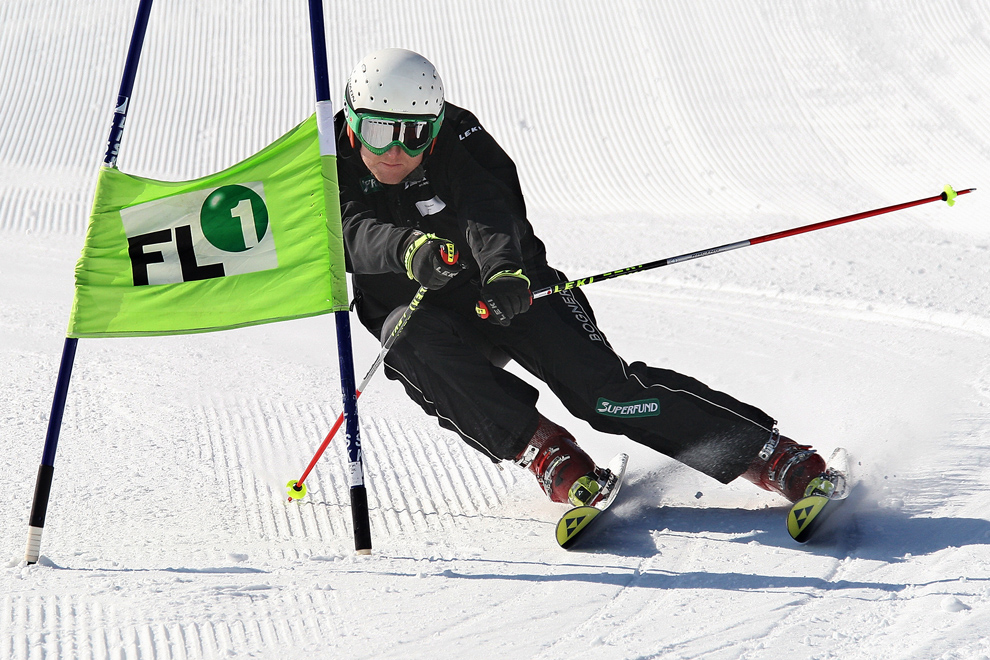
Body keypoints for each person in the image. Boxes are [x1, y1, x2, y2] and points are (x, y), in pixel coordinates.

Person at [334, 48, 837, 510]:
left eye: (415, 134)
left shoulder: (460, 139)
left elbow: (490, 209)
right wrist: (407, 249)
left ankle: (771, 457)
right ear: (354, 125)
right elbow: (342, 228)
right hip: (423, 315)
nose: (396, 152)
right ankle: (544, 450)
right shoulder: (321, 159)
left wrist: (504, 270)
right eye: (379, 132)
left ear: (436, 124)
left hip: (507, 289)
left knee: (604, 397)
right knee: (402, 336)